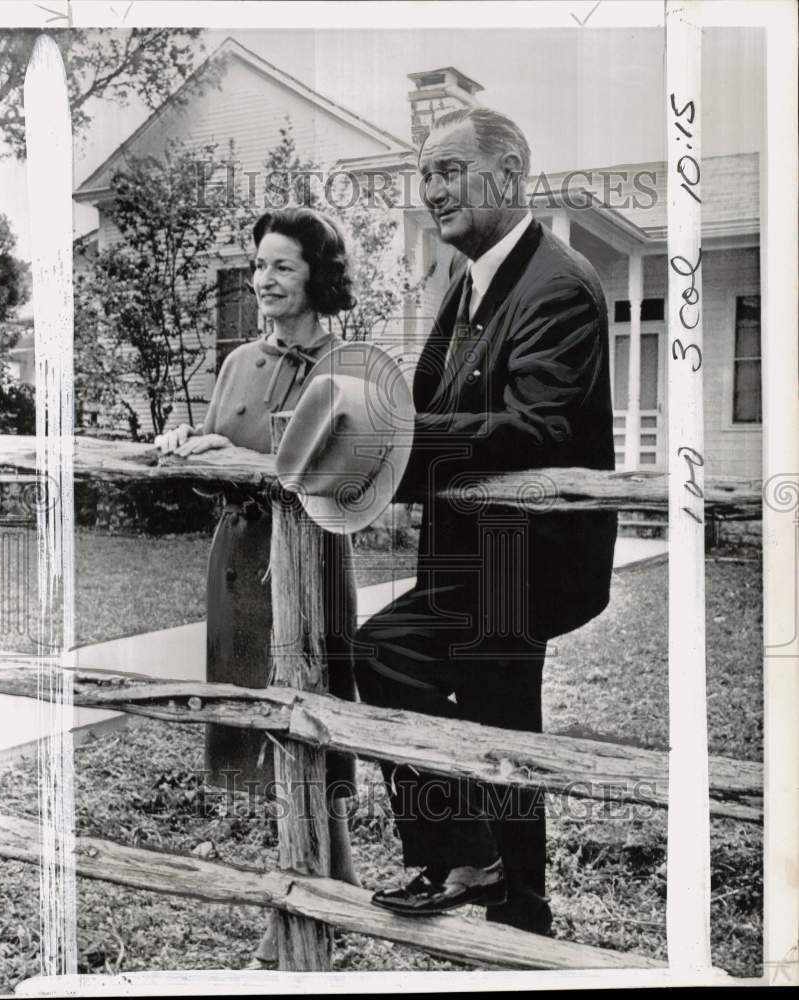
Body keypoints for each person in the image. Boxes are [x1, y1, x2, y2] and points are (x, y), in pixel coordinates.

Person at [353, 107, 617, 932]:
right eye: (423, 175)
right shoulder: (467, 282)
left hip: (525, 559)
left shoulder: (558, 284)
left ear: (506, 177)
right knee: (503, 722)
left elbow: (535, 428)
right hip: (472, 556)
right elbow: (424, 408)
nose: (429, 191)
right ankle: (521, 908)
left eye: (446, 171)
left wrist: (391, 441)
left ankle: (460, 855)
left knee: (386, 649)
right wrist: (353, 441)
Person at [156, 206, 361, 966]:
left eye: (280, 265)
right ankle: (329, 904)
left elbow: (341, 482)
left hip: (312, 575)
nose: (261, 279)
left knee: (312, 733)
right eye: (258, 265)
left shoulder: (351, 367)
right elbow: (219, 473)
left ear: (317, 275)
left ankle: (302, 921)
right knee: (266, 738)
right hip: (240, 568)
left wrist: (245, 462)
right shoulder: (241, 361)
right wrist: (188, 447)